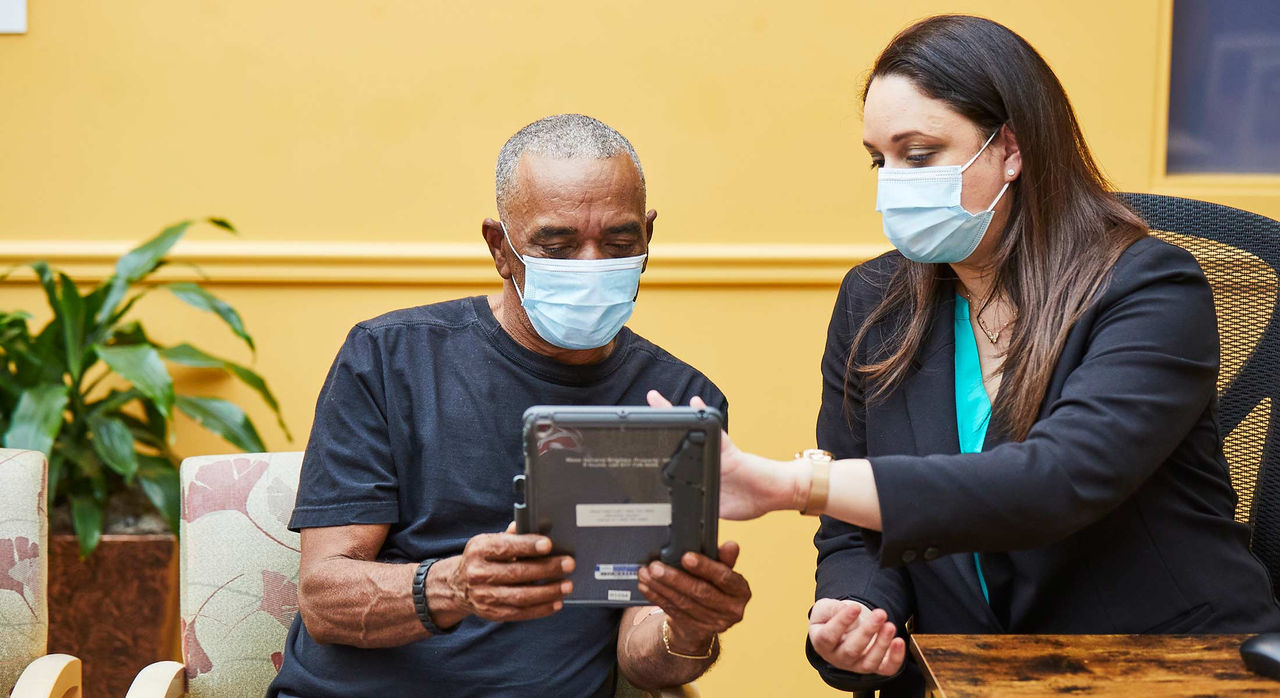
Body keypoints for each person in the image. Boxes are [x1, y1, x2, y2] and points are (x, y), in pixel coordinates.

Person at [651, 14, 1280, 696]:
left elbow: (1055, 481)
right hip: (967, 676)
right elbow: (854, 534)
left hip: (1163, 668)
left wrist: (791, 484)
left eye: (919, 154)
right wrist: (860, 610)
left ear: (1010, 148)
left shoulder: (1151, 287)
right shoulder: (874, 303)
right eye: (879, 158)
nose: (892, 183)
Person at [270, 114, 752, 698]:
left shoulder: (677, 403)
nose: (592, 266)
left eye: (621, 243)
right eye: (558, 245)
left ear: (649, 239)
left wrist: (690, 627)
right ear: (500, 247)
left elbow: (643, 653)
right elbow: (323, 598)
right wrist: (453, 586)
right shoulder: (389, 359)